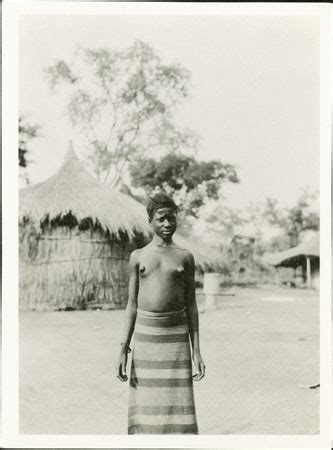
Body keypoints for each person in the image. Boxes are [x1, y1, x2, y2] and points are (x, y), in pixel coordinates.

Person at [116, 192, 205, 435]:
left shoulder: (185, 256)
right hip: (146, 337)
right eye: (161, 219)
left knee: (177, 400)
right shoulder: (138, 256)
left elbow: (192, 305)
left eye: (172, 218)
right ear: (150, 222)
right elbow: (131, 305)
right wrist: (124, 348)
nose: (167, 224)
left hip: (176, 337)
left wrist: (196, 350)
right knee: (146, 399)